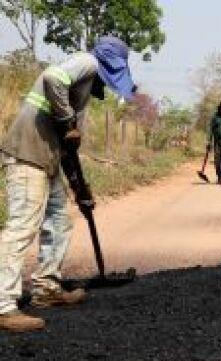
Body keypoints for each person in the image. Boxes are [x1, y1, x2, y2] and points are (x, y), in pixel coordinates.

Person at [0, 36, 137, 332]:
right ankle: (3, 306)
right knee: (22, 227)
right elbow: (51, 77)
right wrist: (66, 119)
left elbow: (68, 149)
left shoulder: (81, 96)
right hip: (27, 154)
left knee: (59, 220)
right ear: (109, 66)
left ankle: (47, 288)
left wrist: (81, 189)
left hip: (47, 160)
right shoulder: (87, 63)